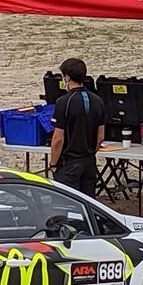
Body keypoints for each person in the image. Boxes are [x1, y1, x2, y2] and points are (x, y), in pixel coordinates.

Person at [50, 58, 105, 197]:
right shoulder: (98, 101)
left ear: (67, 77)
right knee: (87, 203)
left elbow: (58, 139)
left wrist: (53, 163)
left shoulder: (63, 102)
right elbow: (100, 137)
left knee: (67, 205)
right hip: (89, 162)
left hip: (69, 163)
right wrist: (91, 151)